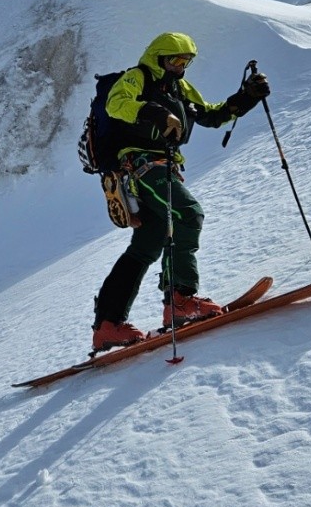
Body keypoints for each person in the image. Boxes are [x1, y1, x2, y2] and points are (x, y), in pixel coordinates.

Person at [91, 32, 270, 353]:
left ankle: (108, 325)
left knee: (148, 243)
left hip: (162, 166)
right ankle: (181, 299)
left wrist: (246, 98)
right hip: (141, 164)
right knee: (188, 214)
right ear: (157, 57)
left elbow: (211, 115)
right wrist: (154, 112)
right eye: (174, 60)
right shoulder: (137, 77)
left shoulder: (180, 88)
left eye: (186, 61)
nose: (180, 67)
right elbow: (116, 104)